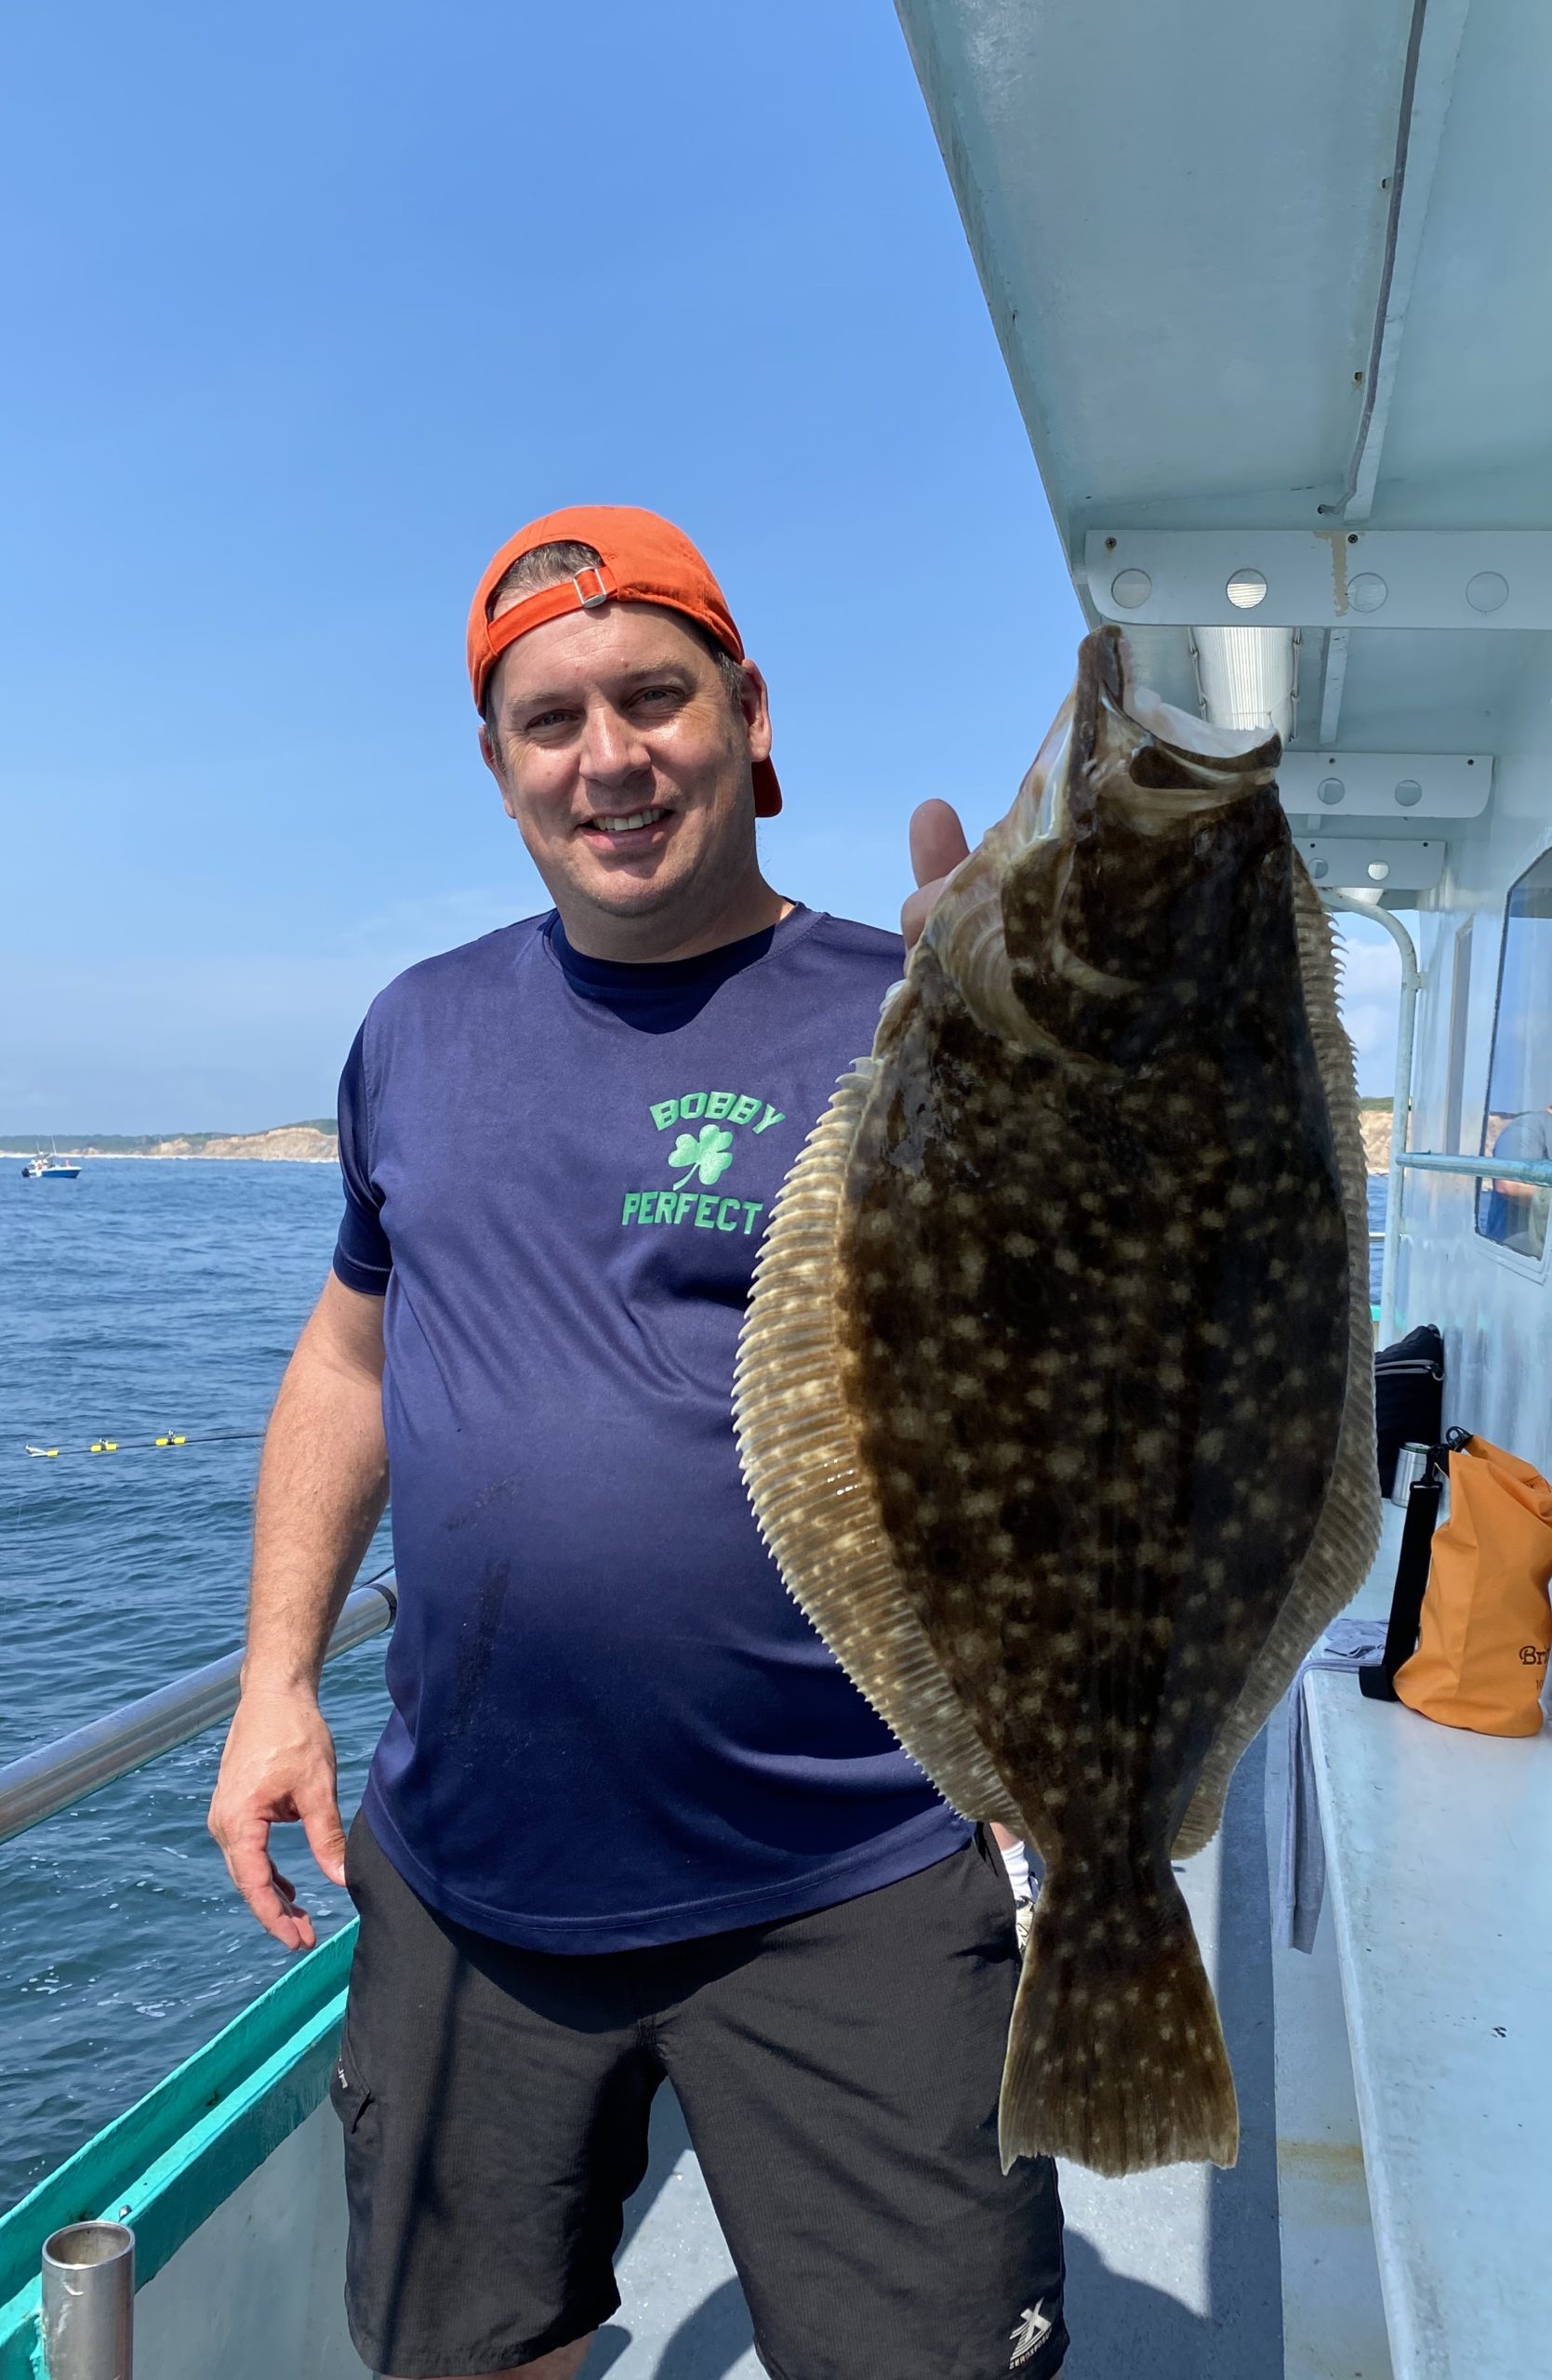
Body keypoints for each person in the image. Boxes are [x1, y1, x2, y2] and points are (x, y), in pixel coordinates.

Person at [207, 505, 1066, 2380]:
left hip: (851, 1863)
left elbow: (1069, 1366)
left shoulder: (909, 1013)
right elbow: (350, 1360)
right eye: (549, 720)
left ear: (749, 715)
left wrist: (1038, 1049)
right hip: (468, 1872)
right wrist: (278, 1676)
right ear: (499, 765)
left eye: (654, 697)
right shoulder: (414, 1031)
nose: (609, 757)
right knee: (470, 2350)